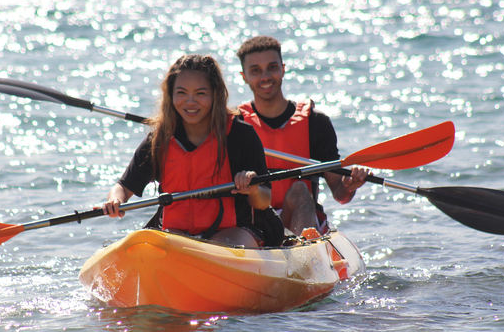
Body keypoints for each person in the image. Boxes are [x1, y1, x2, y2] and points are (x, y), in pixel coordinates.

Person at [102, 54, 272, 247]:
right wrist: (115, 199)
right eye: (181, 93)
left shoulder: (241, 135)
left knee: (220, 245)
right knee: (154, 244)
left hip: (233, 232)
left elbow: (264, 201)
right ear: (170, 94)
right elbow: (123, 187)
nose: (190, 102)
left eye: (200, 93)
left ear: (215, 94)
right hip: (177, 232)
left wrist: (253, 189)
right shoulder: (159, 139)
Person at [236, 35, 370, 237]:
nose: (265, 77)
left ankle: (304, 253)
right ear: (244, 76)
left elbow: (340, 194)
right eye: (255, 70)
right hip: (253, 225)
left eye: (272, 67)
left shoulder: (316, 123)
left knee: (299, 189)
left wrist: (350, 185)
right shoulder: (235, 125)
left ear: (283, 68)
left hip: (298, 216)